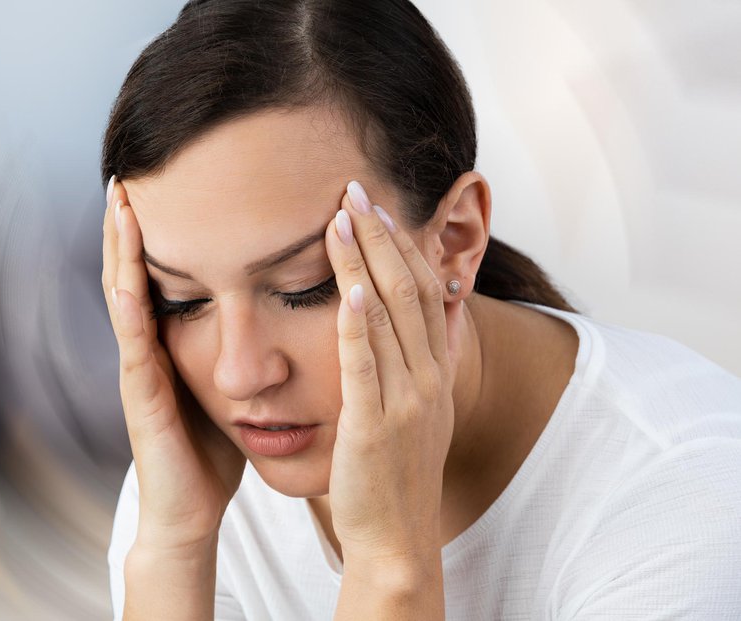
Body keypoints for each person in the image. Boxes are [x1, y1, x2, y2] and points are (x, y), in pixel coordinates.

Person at [99, 1, 741, 619]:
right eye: (181, 300)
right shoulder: (194, 491)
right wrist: (173, 548)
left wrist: (390, 565)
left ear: (455, 242)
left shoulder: (688, 498)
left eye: (305, 287)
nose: (239, 375)